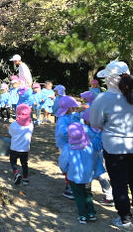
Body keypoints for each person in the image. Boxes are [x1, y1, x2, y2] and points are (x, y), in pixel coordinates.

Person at [90, 61, 133, 229]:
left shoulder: (103, 98)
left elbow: (96, 123)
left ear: (108, 79)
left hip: (114, 148)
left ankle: (125, 219)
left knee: (119, 183)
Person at [59, 122, 104, 224]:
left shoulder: (68, 148)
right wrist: (102, 130)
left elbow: (63, 162)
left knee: (79, 195)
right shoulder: (91, 145)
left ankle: (83, 215)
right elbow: (99, 140)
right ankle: (91, 213)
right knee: (88, 193)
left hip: (74, 176)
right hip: (88, 176)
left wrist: (64, 170)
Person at [55, 96, 82, 200]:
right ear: (68, 108)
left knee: (71, 165)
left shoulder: (69, 115)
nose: (74, 109)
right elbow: (63, 132)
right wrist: (74, 134)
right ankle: (69, 187)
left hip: (70, 144)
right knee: (68, 165)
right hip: (65, 145)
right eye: (73, 107)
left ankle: (70, 185)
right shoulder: (62, 119)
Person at [9, 104, 34, 186]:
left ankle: (16, 172)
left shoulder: (13, 125)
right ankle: (25, 178)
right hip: (25, 148)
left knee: (13, 162)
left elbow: (11, 134)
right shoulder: (31, 125)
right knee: (24, 163)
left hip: (14, 148)